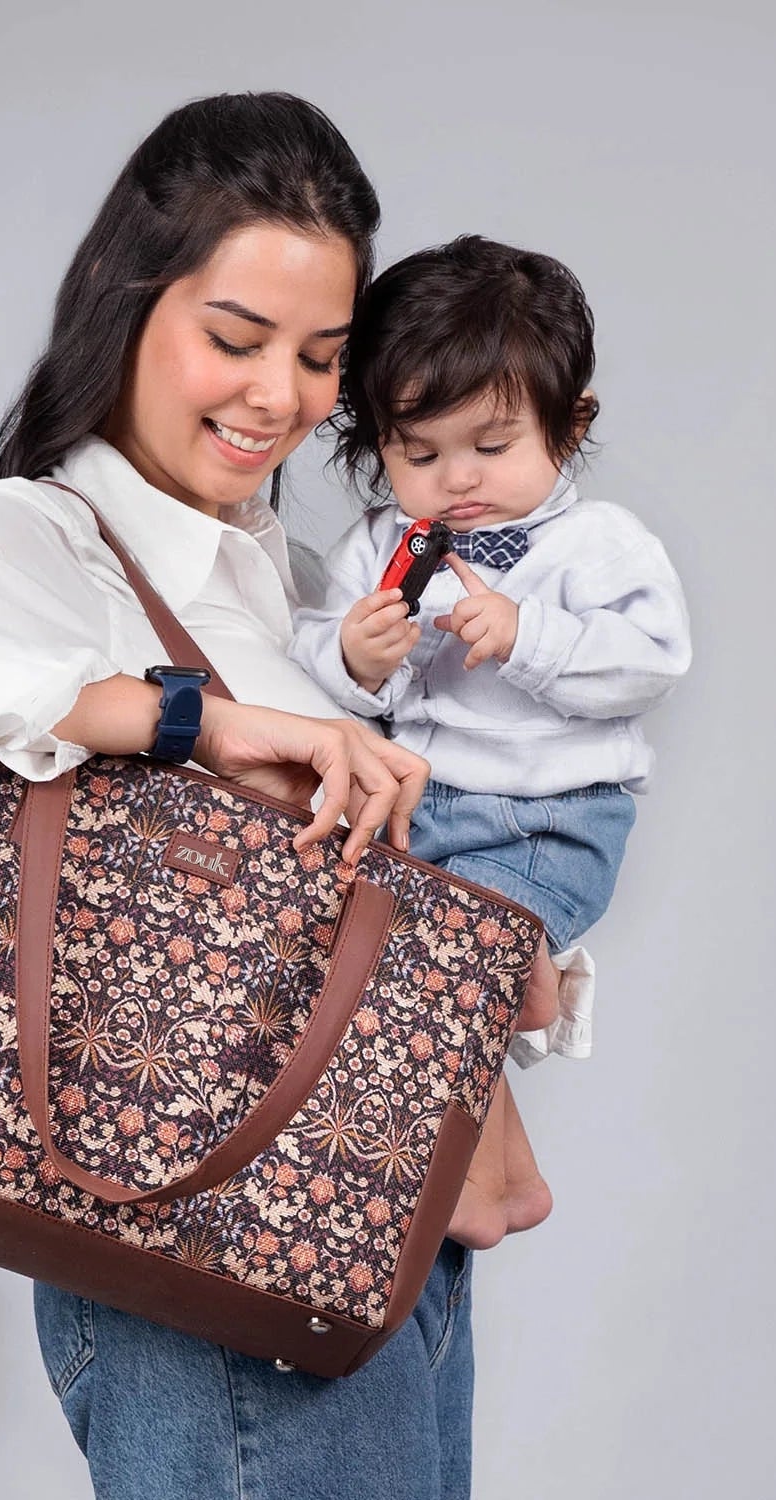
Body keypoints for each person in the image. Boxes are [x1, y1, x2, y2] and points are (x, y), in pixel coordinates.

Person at [0, 95, 556, 1500]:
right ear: (126, 305)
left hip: (371, 1250)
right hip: (195, 1272)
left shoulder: (305, 591)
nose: (280, 399)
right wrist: (184, 719)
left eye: (322, 359)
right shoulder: (47, 538)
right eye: (236, 340)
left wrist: (500, 966)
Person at [290, 234, 692, 1250]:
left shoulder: (598, 546)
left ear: (572, 423)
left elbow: (652, 658)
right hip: (424, 812)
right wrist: (355, 655)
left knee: (461, 968)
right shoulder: (378, 545)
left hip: (549, 821)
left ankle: (528, 973)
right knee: (382, 977)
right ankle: (507, 1178)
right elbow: (308, 665)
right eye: (417, 453)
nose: (455, 481)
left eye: (491, 447)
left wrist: (530, 636)